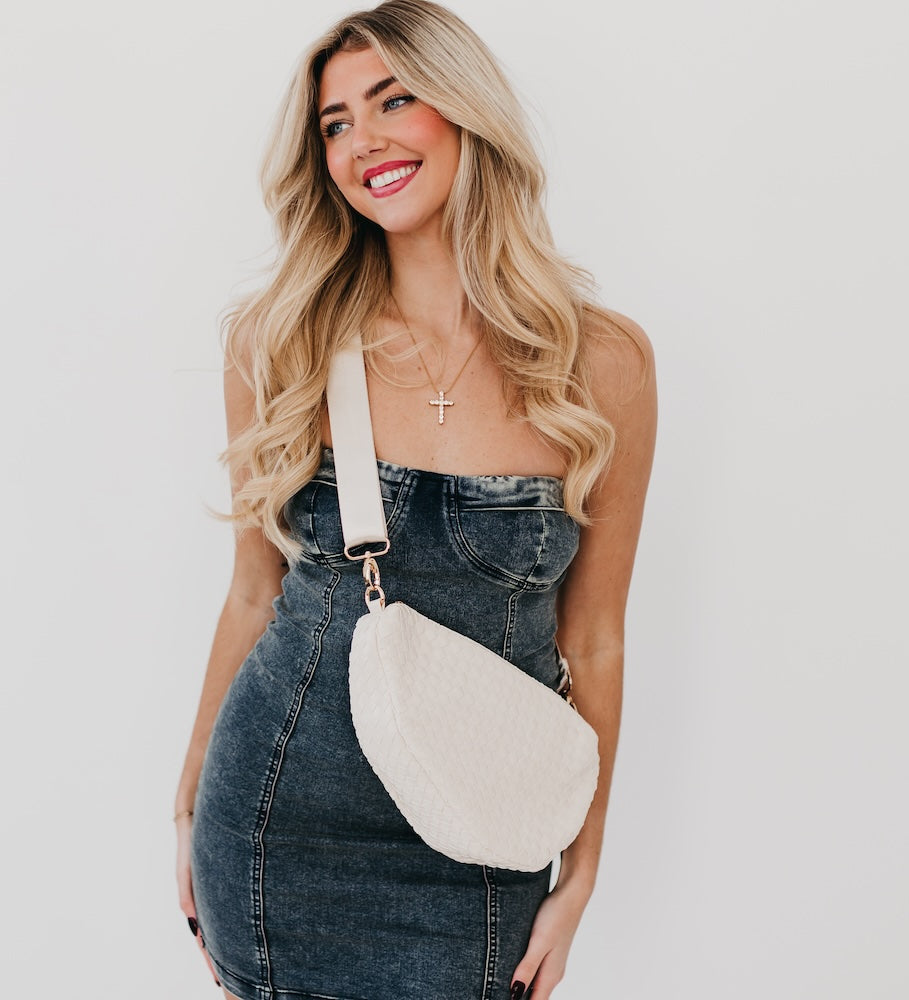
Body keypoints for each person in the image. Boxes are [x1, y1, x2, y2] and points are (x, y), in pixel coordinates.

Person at [174, 1, 656, 997]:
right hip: (277, 825)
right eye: (336, 123)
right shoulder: (280, 342)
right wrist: (185, 808)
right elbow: (252, 595)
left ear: (466, 111)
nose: (364, 140)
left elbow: (596, 638)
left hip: (484, 837)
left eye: (393, 101)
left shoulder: (601, 363)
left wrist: (582, 871)